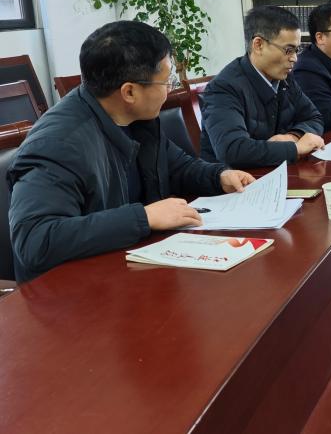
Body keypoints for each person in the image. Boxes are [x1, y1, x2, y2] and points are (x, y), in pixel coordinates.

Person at [7, 21, 254, 282]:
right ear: (129, 91)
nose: (170, 89)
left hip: (130, 266)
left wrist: (218, 176)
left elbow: (177, 167)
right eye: (166, 81)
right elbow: (36, 240)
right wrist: (144, 217)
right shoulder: (58, 145)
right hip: (72, 291)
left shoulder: (134, 118)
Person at [200, 6, 325, 168]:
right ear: (258, 45)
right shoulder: (223, 88)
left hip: (274, 171)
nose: (294, 58)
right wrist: (294, 148)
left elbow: (314, 117)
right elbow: (232, 150)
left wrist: (293, 136)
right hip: (235, 179)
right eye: (288, 50)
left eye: (296, 50)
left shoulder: (284, 78)